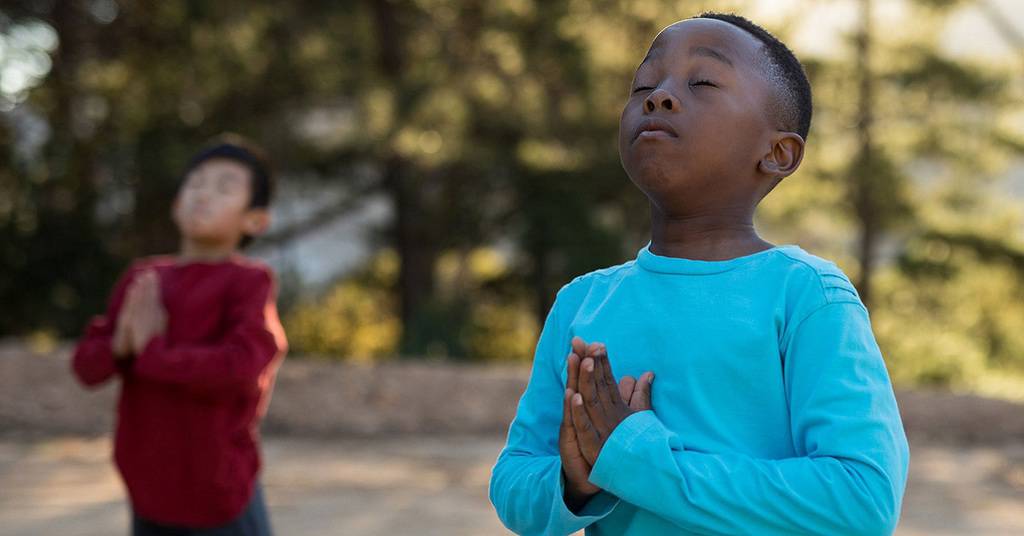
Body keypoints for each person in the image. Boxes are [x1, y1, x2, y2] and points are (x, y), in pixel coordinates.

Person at [489, 12, 910, 535]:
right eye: (644, 83)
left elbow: (861, 502)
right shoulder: (582, 302)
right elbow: (515, 480)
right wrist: (574, 481)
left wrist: (640, 462)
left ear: (778, 153)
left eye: (703, 82)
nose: (658, 96)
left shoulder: (806, 296)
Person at [72, 135, 287, 535]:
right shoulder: (144, 278)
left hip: (220, 495)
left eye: (224, 188)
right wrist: (120, 345)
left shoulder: (249, 282)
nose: (204, 195)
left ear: (255, 219)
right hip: (148, 491)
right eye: (196, 183)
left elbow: (241, 367)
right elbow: (87, 366)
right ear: (176, 202)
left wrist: (152, 351)